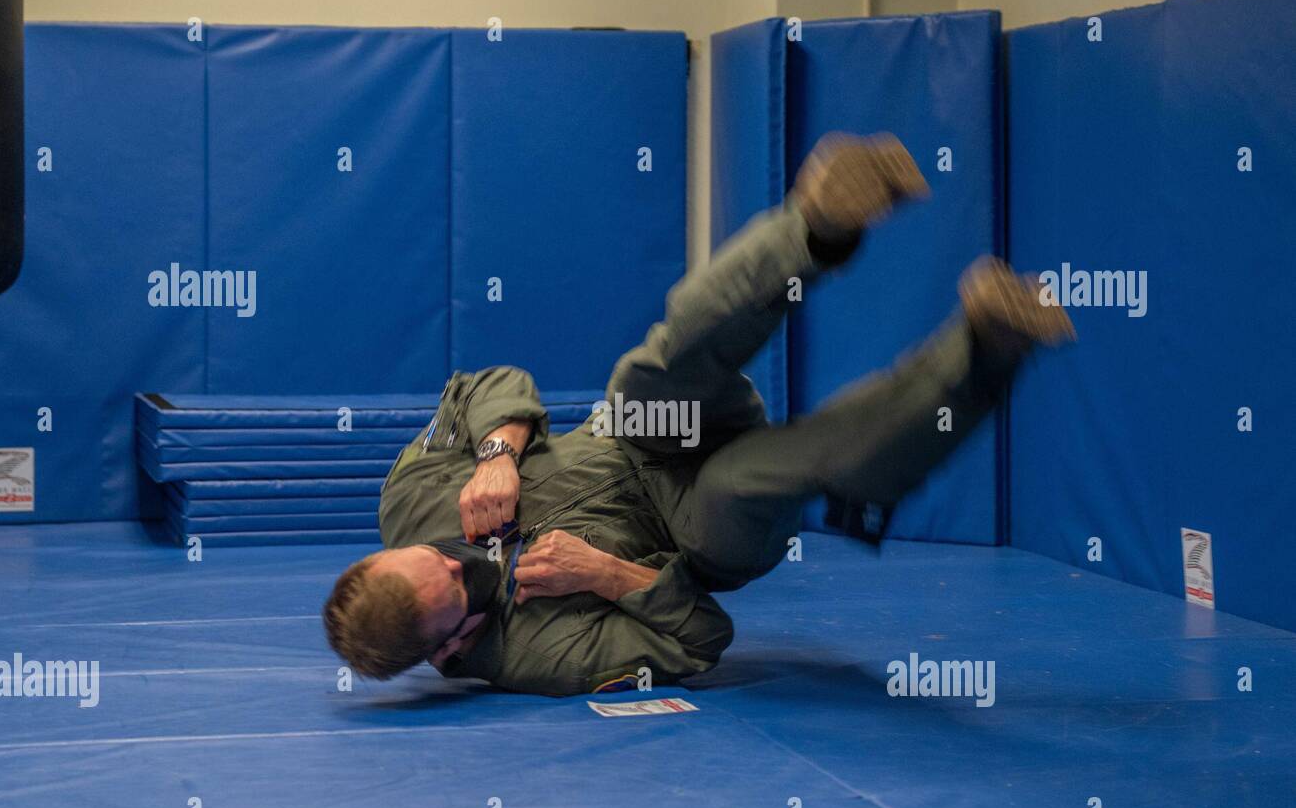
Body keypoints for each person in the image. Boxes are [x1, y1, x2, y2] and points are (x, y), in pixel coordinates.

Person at [322, 132, 1075, 696]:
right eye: (451, 583)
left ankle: (816, 229)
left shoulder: (410, 499)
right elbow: (701, 641)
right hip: (697, 535)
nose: (455, 556)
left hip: (643, 438)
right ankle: (985, 349)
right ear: (446, 646)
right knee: (759, 478)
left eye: (432, 555)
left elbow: (481, 382)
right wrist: (611, 575)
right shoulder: (531, 657)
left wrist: (497, 449)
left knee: (647, 376)